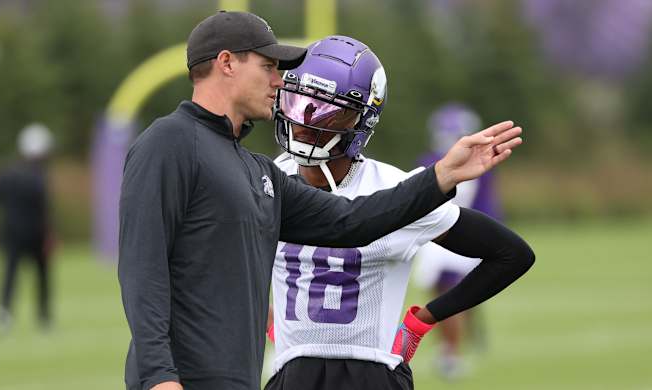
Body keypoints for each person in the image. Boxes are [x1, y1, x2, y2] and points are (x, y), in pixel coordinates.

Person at [118, 12, 524, 390]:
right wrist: (158, 376)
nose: (278, 82)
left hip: (240, 377)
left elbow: (350, 221)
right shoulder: (169, 141)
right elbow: (143, 263)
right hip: (187, 378)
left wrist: (440, 177)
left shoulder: (255, 169)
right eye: (268, 67)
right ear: (226, 63)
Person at [263, 36, 534, 390]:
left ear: (361, 119)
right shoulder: (265, 179)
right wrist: (267, 319)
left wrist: (421, 322)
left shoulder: (394, 187)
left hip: (372, 374)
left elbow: (511, 254)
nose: (304, 122)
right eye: (299, 103)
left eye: (329, 110)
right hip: (292, 375)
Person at [413, 103, 500, 380]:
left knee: (447, 298)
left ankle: (450, 353)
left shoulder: (433, 160)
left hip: (446, 237)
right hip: (449, 235)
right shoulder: (466, 162)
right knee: (451, 297)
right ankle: (455, 345)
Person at [0, 123, 55, 334]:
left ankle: (4, 314)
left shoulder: (6, 172)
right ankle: (44, 318)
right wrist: (49, 234)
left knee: (10, 274)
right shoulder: (39, 176)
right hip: (35, 233)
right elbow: (44, 207)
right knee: (42, 276)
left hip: (10, 232)